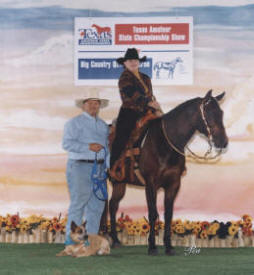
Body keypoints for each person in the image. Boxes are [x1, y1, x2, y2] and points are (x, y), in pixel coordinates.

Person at [62, 90, 110, 246]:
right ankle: (72, 242)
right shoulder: (73, 123)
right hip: (79, 166)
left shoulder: (103, 125)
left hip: (99, 169)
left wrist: (108, 167)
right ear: (83, 105)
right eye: (89, 102)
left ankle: (91, 242)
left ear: (99, 106)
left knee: (97, 206)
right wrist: (88, 146)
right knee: (78, 203)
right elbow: (67, 144)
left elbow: (107, 149)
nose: (93, 106)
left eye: (96, 103)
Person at [110, 48, 162, 175]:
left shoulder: (145, 78)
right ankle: (113, 166)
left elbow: (150, 95)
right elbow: (132, 93)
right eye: (130, 60)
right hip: (129, 112)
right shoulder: (124, 77)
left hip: (146, 111)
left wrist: (156, 107)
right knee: (122, 136)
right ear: (125, 63)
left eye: (135, 60)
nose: (133, 62)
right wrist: (148, 102)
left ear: (139, 62)